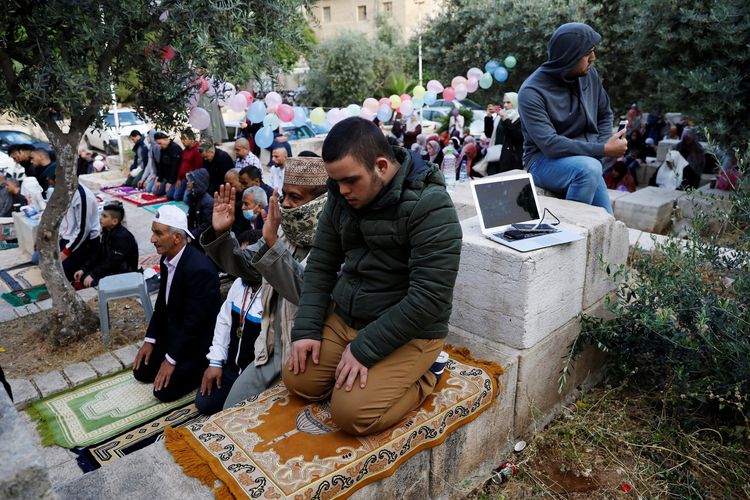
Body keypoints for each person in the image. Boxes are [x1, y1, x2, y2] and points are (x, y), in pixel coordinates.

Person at [283, 117, 462, 436]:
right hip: (349, 316)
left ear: (381, 166)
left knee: (351, 415)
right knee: (299, 380)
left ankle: (429, 372)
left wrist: (365, 348)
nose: (341, 190)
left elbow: (430, 299)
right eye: (336, 182)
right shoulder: (340, 197)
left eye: (350, 180)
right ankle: (355, 370)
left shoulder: (430, 206)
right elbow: (322, 263)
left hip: (410, 329)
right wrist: (308, 327)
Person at [200, 156, 330, 410]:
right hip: (271, 350)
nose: (286, 204)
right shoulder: (283, 229)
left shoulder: (335, 238)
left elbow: (310, 296)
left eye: (295, 197)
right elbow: (250, 267)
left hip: (310, 356)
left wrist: (273, 244)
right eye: (284, 196)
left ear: (320, 199)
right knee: (230, 411)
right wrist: (222, 235)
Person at [518, 22, 628, 214]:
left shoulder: (589, 74)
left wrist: (602, 147)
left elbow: (604, 113)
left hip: (585, 162)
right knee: (587, 169)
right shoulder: (531, 92)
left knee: (606, 219)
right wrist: (602, 149)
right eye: (587, 53)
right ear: (569, 56)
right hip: (542, 161)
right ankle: (571, 227)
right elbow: (550, 145)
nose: (593, 58)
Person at [133, 205, 221, 402]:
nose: (152, 239)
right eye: (152, 232)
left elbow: (195, 323)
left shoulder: (200, 270)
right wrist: (150, 339)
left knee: (163, 392)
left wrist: (171, 359)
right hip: (176, 332)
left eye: (158, 233)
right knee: (142, 371)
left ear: (177, 238)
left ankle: (198, 369)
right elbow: (162, 306)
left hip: (197, 342)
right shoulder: (168, 259)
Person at [195, 231, 264, 414]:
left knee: (237, 412)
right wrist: (216, 362)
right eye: (240, 259)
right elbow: (224, 322)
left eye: (249, 259)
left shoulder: (273, 292)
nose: (242, 266)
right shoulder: (238, 285)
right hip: (231, 369)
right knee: (205, 403)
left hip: (256, 374)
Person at [72, 203, 138, 288]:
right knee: (80, 274)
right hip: (112, 269)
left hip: (124, 273)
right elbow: (99, 254)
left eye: (104, 216)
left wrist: (93, 274)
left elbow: (113, 262)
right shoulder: (107, 231)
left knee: (91, 282)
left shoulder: (122, 237)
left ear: (114, 221)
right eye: (101, 215)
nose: (101, 218)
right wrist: (83, 269)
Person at [59, 183, 100, 281]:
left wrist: (65, 252)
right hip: (66, 237)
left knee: (64, 274)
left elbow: (83, 231)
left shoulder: (82, 196)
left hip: (83, 241)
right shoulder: (61, 190)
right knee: (41, 261)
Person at [483, 93, 524, 174]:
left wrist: (505, 119)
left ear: (515, 102)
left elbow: (518, 136)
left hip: (511, 159)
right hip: (496, 156)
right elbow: (489, 134)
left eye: (508, 102)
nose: (505, 105)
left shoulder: (520, 117)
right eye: (504, 102)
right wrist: (489, 117)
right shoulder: (500, 116)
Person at [185, 168, 213, 249]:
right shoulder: (194, 197)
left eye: (190, 181)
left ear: (196, 183)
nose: (187, 183)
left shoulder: (207, 202)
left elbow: (206, 225)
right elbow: (190, 217)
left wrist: (191, 235)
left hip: (204, 238)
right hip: (196, 231)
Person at [172, 129, 203, 201]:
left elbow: (198, 169)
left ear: (191, 138)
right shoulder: (185, 150)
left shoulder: (197, 149)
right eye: (181, 139)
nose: (182, 142)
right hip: (183, 178)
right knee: (174, 196)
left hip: (191, 179)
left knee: (186, 199)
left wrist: (192, 182)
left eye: (184, 139)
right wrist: (179, 179)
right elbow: (181, 165)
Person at [150, 132, 182, 197]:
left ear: (165, 139)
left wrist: (170, 182)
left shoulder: (175, 148)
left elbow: (175, 167)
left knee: (170, 195)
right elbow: (161, 165)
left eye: (160, 143)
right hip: (166, 177)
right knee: (155, 191)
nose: (160, 145)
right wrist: (159, 180)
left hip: (174, 178)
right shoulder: (163, 148)